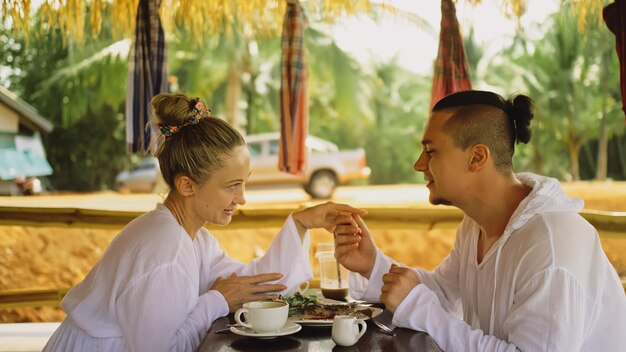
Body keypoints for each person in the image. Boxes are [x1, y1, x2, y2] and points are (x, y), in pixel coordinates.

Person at [44, 93, 366, 352]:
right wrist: (216, 301)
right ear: (187, 186)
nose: (242, 198)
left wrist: (300, 223)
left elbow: (250, 285)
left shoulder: (192, 237)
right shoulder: (164, 251)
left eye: (244, 183)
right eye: (231, 186)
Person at [334, 90, 626, 351]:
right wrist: (373, 264)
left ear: (477, 157)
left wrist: (421, 309)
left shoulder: (551, 243)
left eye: (431, 150)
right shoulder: (476, 226)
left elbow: (425, 306)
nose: (419, 165)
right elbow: (442, 293)